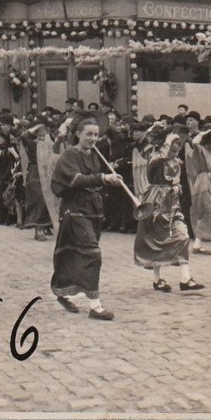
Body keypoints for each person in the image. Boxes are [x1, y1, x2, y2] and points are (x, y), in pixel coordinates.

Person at [50, 112, 123, 320]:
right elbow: (76, 180)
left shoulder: (94, 155)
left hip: (93, 209)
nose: (93, 139)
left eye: (96, 135)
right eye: (88, 134)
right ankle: (95, 305)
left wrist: (111, 178)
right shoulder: (69, 155)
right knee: (92, 253)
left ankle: (62, 292)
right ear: (78, 134)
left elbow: (95, 181)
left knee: (76, 253)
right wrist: (102, 178)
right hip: (74, 210)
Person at [134, 133, 205, 292]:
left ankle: (185, 278)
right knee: (157, 238)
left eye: (177, 151)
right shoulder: (154, 158)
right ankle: (157, 279)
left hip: (172, 203)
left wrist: (177, 188)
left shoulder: (175, 161)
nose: (174, 154)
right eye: (172, 150)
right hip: (156, 200)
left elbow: (178, 182)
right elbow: (155, 166)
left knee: (183, 235)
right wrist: (167, 145)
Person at [19, 119, 54, 241]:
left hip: (48, 173)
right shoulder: (33, 145)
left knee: (48, 200)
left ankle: (46, 227)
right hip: (35, 173)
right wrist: (36, 126)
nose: (42, 136)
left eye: (44, 134)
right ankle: (38, 230)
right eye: (39, 134)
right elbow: (24, 136)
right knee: (39, 199)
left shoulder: (50, 145)